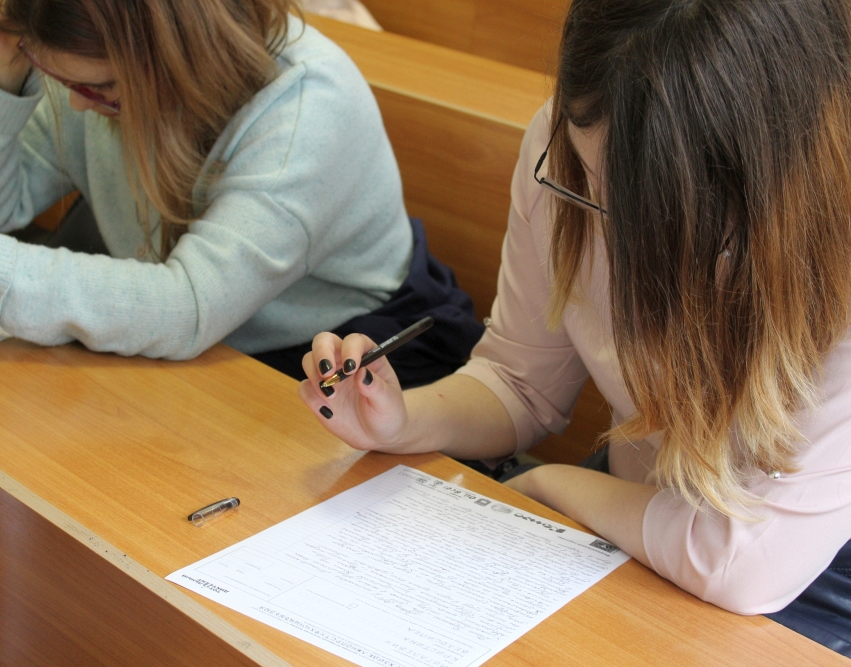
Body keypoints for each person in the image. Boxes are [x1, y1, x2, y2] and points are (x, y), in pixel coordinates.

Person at [298, 0, 851, 654]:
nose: (601, 223)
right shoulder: (570, 144)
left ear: (759, 184)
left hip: (810, 582)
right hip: (629, 511)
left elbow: (743, 565)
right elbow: (520, 381)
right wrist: (398, 420)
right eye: (587, 182)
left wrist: (548, 481)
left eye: (647, 210)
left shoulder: (830, 247)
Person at [0, 0, 482, 380]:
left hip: (348, 358)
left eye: (100, 88)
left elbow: (187, 308)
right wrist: (8, 66)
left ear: (173, 58)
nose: (76, 104)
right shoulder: (92, 65)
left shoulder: (307, 107)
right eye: (58, 78)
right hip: (206, 347)